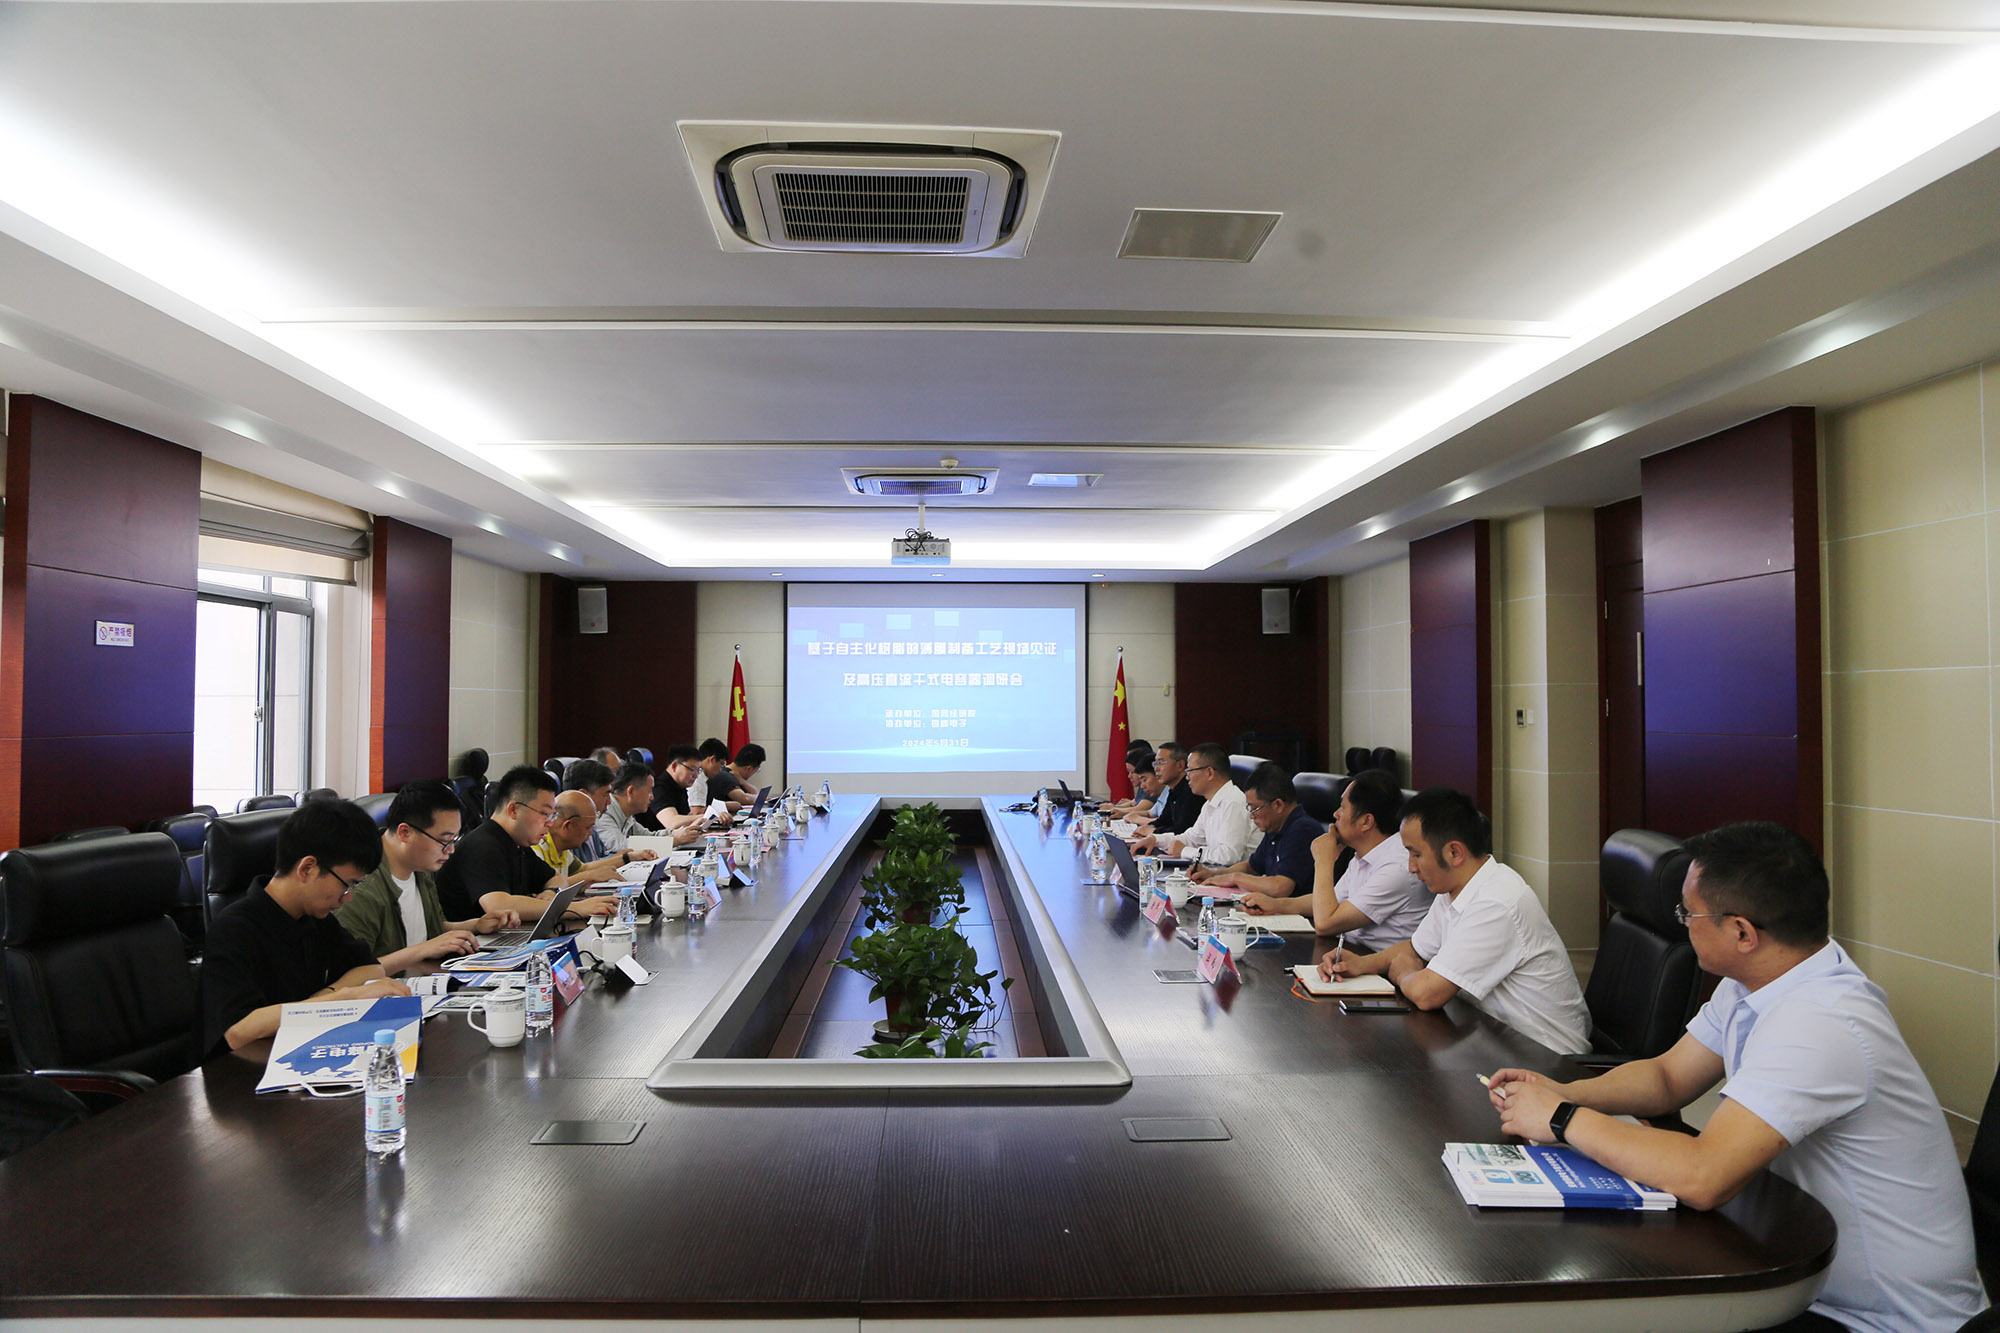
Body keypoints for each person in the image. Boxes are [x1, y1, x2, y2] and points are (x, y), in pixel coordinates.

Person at [1487, 822, 1980, 1333]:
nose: (1682, 924)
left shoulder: (1820, 1022)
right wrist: (1561, 1091)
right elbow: (1667, 1077)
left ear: (1743, 932)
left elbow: (1705, 1176)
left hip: (1879, 1321)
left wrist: (1564, 1119)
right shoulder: (1760, 979)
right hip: (1793, 1268)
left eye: (1688, 913)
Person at [1322, 786, 1588, 1053]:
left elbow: (1427, 994)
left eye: (1416, 854)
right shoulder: (1454, 887)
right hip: (1489, 1036)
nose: (1411, 867)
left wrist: (1403, 974)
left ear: (1454, 853)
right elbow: (1415, 949)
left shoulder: (1496, 902)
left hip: (1545, 1056)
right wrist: (1361, 964)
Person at [199, 799, 411, 1054]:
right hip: (239, 1068)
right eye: (347, 885)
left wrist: (319, 1001)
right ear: (307, 868)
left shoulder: (313, 917)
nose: (348, 898)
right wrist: (341, 999)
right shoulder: (235, 928)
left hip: (296, 1048)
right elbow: (237, 1030)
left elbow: (370, 968)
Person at [335, 780, 520, 971]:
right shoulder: (360, 888)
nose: (451, 850)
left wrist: (475, 925)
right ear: (405, 833)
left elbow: (430, 928)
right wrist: (422, 950)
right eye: (444, 840)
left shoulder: (420, 865)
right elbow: (353, 972)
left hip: (427, 978)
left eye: (455, 839)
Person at [1249, 768, 1429, 944]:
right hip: (1351, 952)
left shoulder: (1398, 867)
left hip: (1378, 960)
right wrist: (1275, 905)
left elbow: (1326, 923)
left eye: (1342, 808)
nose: (1335, 814)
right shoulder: (1364, 854)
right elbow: (1330, 901)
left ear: (1366, 822)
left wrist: (1323, 860)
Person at [436, 765, 617, 924]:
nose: (550, 823)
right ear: (514, 810)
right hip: (468, 946)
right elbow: (498, 905)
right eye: (545, 814)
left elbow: (556, 878)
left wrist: (551, 892)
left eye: (553, 815)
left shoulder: (518, 844)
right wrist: (574, 908)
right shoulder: (482, 846)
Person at [1194, 764, 1324, 901]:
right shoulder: (1276, 826)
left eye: (1255, 808)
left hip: (1302, 912)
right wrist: (1214, 875)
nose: (1251, 816)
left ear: (1278, 805)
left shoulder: (1303, 830)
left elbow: (1281, 887)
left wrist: (1235, 878)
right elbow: (1251, 867)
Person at [1132, 742, 1254, 866]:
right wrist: (1155, 839)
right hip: (1218, 871)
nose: (1187, 777)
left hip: (1238, 874)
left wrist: (1184, 851)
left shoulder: (1234, 802)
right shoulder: (1209, 804)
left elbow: (1229, 856)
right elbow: (1190, 838)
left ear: (1210, 773)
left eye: (1190, 771)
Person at [536, 790, 644, 883]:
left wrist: (629, 857)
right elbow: (546, 887)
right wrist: (589, 876)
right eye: (588, 827)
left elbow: (583, 868)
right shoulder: (537, 852)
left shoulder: (561, 850)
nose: (591, 833)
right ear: (568, 826)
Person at [642, 745, 710, 833]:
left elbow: (686, 818)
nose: (696, 775)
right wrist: (705, 817)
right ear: (674, 766)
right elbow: (672, 823)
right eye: (692, 769)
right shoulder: (659, 788)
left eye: (698, 770)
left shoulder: (680, 787)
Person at [562, 757, 617, 861]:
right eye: (605, 795)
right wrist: (623, 859)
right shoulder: (569, 832)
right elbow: (581, 869)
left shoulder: (592, 823)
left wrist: (624, 857)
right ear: (584, 795)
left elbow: (601, 857)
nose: (609, 802)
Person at [1146, 741, 1202, 837]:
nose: (1156, 769)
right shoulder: (1173, 790)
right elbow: (1164, 820)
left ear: (1180, 765)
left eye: (1161, 763)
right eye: (1155, 763)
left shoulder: (1191, 791)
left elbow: (1182, 830)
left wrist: (1154, 831)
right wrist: (1149, 826)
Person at [697, 737, 748, 810]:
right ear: (712, 760)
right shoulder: (697, 778)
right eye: (721, 764)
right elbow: (698, 812)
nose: (721, 769)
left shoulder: (703, 777)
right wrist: (726, 806)